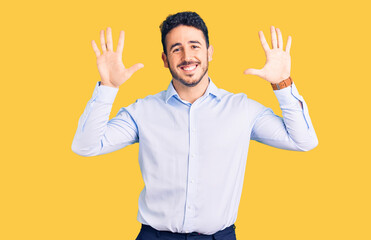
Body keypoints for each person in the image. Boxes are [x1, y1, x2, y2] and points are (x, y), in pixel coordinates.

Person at [72, 11, 318, 240]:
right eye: (176, 49)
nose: (187, 56)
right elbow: (86, 146)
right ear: (165, 59)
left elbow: (303, 140)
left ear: (209, 52)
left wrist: (283, 84)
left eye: (194, 46)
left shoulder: (242, 109)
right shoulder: (142, 111)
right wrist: (108, 88)